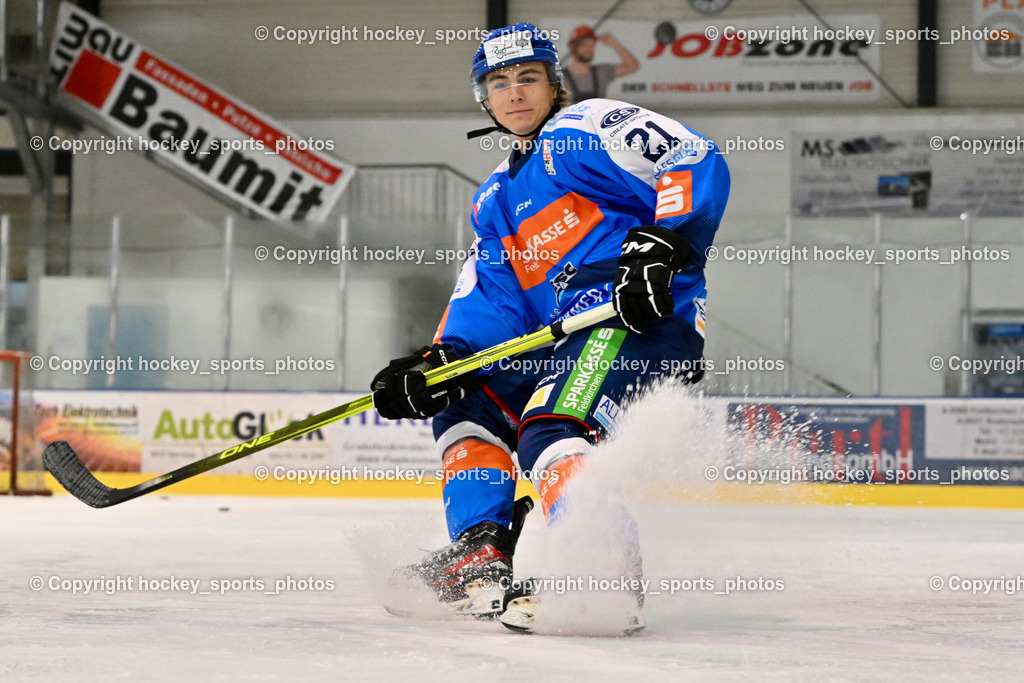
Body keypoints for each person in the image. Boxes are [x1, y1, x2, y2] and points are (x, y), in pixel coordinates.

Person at [372, 22, 729, 633]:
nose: (514, 93)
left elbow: (690, 155)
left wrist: (663, 245)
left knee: (552, 427)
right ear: (483, 98)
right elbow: (494, 295)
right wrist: (442, 359)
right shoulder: (494, 198)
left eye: (528, 78)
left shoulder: (582, 129)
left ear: (553, 84)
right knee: (464, 404)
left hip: (635, 317)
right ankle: (482, 555)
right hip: (567, 336)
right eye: (498, 82)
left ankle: (604, 569)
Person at [563, 25, 639, 103]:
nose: (589, 48)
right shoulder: (559, 79)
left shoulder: (601, 72)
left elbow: (632, 66)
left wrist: (613, 43)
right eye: (584, 44)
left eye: (592, 45)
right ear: (572, 46)